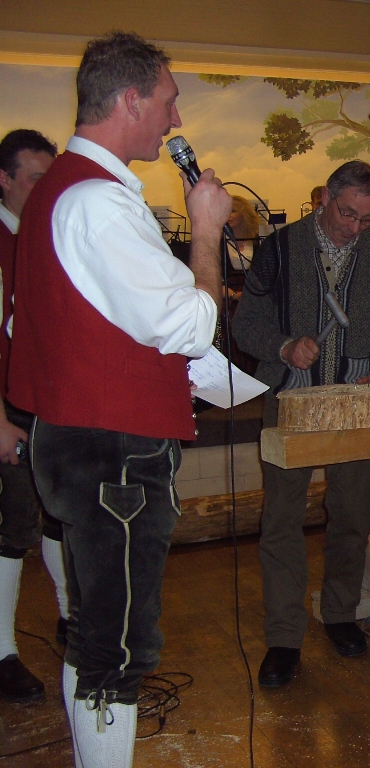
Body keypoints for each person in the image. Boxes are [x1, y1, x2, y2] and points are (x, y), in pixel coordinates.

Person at [6, 32, 233, 768]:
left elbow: (31, 325)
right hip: (113, 454)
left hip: (78, 439)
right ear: (130, 100)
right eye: (169, 101)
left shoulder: (59, 192)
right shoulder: (98, 203)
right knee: (118, 645)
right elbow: (190, 324)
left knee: (96, 630)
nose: (175, 120)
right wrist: (205, 232)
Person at [232, 160, 370, 689]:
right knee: (281, 520)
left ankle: (339, 613)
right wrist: (284, 346)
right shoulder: (279, 248)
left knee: (353, 511)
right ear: (325, 199)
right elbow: (246, 324)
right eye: (347, 214)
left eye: (367, 218)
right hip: (290, 401)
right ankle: (284, 637)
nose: (355, 228)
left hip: (354, 404)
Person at [0, 128, 68, 705]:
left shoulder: (50, 234)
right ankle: (2, 653)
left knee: (59, 517)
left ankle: (71, 619)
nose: (45, 191)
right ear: (4, 179)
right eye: (34, 180)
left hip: (52, 401)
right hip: (8, 407)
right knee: (14, 527)